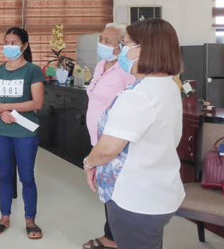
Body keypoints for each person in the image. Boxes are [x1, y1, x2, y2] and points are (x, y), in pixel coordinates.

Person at [83, 18, 185, 249]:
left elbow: (108, 149)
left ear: (145, 49)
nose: (123, 50)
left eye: (126, 44)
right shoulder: (167, 85)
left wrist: (89, 163)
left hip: (136, 198)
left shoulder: (138, 96)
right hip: (161, 191)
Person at [0, 27, 46, 240]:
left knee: (27, 177)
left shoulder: (33, 70)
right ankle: (4, 217)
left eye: (13, 43)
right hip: (1, 131)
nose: (9, 46)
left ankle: (30, 220)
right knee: (4, 175)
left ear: (24, 45)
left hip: (25, 133)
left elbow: (37, 102)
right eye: (6, 42)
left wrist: (5, 108)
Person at [82, 23, 135, 249]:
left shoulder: (126, 70)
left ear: (122, 46)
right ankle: (111, 234)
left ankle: (114, 239)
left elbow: (133, 103)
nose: (101, 44)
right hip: (98, 138)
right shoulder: (102, 64)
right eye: (101, 39)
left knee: (116, 192)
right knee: (106, 189)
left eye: (108, 41)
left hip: (115, 141)